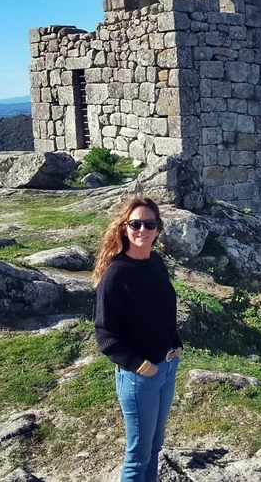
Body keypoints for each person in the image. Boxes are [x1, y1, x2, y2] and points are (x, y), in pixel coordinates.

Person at [93, 196, 184, 482]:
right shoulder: (116, 273)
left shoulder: (156, 262)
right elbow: (105, 334)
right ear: (124, 228)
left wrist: (176, 341)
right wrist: (139, 364)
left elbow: (163, 308)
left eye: (149, 223)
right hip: (139, 377)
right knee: (137, 459)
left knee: (155, 449)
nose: (142, 229)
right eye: (135, 223)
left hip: (167, 368)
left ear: (158, 229)